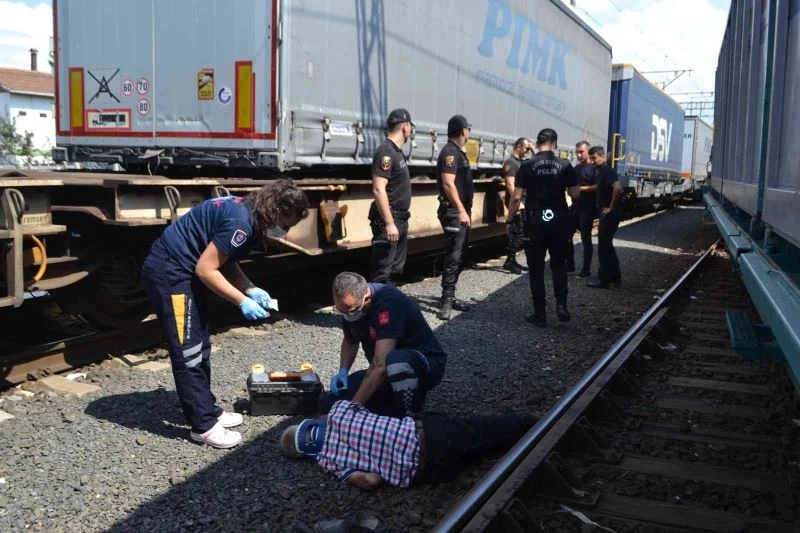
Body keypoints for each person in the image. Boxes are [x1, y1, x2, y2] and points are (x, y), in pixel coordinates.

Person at [140, 180, 309, 448]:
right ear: (278, 209)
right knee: (188, 351)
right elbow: (206, 270)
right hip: (171, 274)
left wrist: (251, 288)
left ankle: (208, 409)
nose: (284, 231)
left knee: (200, 343)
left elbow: (225, 259)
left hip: (184, 272)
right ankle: (203, 427)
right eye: (286, 224)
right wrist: (242, 301)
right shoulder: (240, 223)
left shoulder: (248, 211)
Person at [280, 400, 538, 489]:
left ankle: (519, 432)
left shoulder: (329, 463)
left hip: (432, 472)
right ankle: (537, 424)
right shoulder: (339, 412)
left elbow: (370, 482)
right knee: (495, 431)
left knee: (486, 449)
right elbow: (362, 409)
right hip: (430, 434)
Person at [325, 272, 447, 418]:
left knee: (396, 361)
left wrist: (352, 410)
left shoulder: (389, 303)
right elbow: (350, 339)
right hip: (387, 371)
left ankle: (406, 416)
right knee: (331, 402)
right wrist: (343, 371)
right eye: (340, 311)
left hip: (423, 364)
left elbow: (380, 365)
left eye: (350, 311)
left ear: (367, 299)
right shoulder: (351, 308)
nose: (346, 316)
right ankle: (389, 402)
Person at [506, 128, 580, 327]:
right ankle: (562, 306)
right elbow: (575, 194)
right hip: (558, 221)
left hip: (535, 222)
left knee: (536, 269)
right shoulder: (565, 165)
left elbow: (515, 197)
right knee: (558, 265)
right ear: (554, 143)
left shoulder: (527, 166)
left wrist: (510, 219)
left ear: (538, 143)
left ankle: (540, 314)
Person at [436, 114, 475, 321]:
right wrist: (460, 210)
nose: (469, 132)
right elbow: (448, 184)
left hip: (461, 211)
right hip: (453, 212)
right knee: (453, 255)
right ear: (462, 131)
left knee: (461, 255)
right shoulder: (450, 152)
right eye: (468, 129)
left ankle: (451, 295)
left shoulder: (460, 152)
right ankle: (446, 300)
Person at [369, 108, 413, 284]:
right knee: (382, 273)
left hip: (400, 221)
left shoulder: (396, 152)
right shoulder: (386, 152)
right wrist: (389, 223)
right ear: (405, 127)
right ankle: (373, 311)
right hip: (390, 221)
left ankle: (387, 310)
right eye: (410, 127)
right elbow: (378, 189)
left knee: (394, 272)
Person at [587, 146, 623, 289]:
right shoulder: (603, 172)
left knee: (603, 247)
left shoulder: (607, 171)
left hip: (609, 215)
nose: (592, 161)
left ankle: (604, 280)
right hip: (608, 214)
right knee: (607, 246)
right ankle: (615, 276)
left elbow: (618, 188)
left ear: (602, 157)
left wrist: (611, 207)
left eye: (594, 158)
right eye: (591, 158)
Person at [566, 141, 599, 278]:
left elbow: (598, 186)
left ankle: (585, 269)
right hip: (575, 206)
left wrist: (581, 189)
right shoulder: (576, 168)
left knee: (586, 238)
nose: (579, 155)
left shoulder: (594, 169)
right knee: (566, 235)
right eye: (577, 152)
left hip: (588, 207)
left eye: (581, 152)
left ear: (588, 152)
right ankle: (570, 265)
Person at [501, 137, 534, 274]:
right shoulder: (511, 163)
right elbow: (510, 185)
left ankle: (512, 260)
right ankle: (509, 261)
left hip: (523, 201)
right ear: (518, 147)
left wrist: (533, 148)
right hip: (516, 203)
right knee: (517, 232)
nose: (527, 151)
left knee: (521, 232)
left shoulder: (521, 162)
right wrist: (518, 203)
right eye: (526, 148)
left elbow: (538, 160)